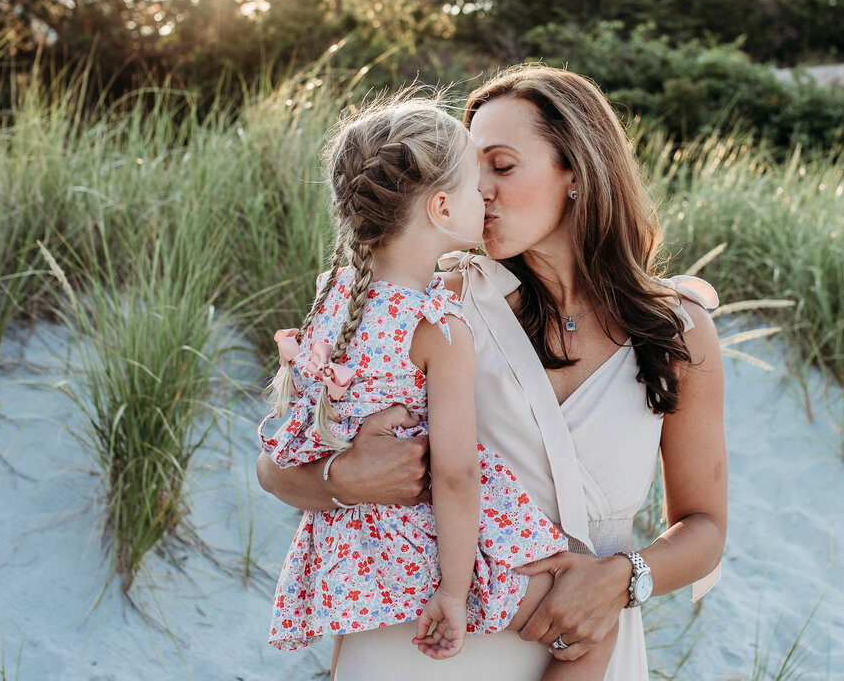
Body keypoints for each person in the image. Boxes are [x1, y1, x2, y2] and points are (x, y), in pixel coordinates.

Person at [257, 66, 727, 680]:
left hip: (582, 637)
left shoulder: (676, 328)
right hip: (420, 636)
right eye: (469, 168)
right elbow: (274, 466)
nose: (479, 189)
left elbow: (706, 528)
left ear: (578, 173)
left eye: (501, 166)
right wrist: (343, 477)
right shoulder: (432, 304)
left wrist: (620, 580)